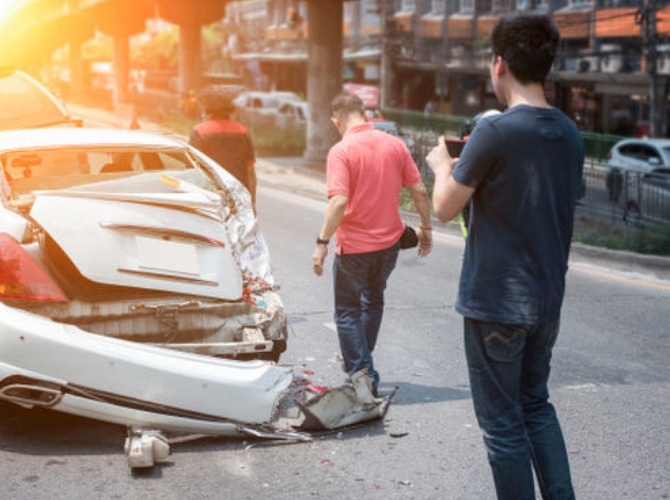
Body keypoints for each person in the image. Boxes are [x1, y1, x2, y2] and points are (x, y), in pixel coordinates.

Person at [426, 14, 583, 500]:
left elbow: (445, 208)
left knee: (502, 427)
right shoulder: (570, 133)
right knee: (536, 406)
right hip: (546, 301)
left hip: (495, 302)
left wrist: (438, 166)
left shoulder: (495, 133)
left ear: (499, 65)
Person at [312, 92, 433, 400]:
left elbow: (338, 201)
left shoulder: (342, 151)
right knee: (373, 299)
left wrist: (322, 243)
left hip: (354, 249)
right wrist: (426, 228)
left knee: (348, 311)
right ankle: (361, 362)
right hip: (389, 246)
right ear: (364, 115)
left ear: (336, 121)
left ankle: (362, 374)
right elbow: (419, 189)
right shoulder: (395, 145)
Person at [189, 85, 257, 206]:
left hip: (211, 195)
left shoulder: (200, 131)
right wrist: (252, 203)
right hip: (239, 195)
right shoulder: (243, 131)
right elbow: (250, 171)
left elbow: (193, 170)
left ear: (206, 107)